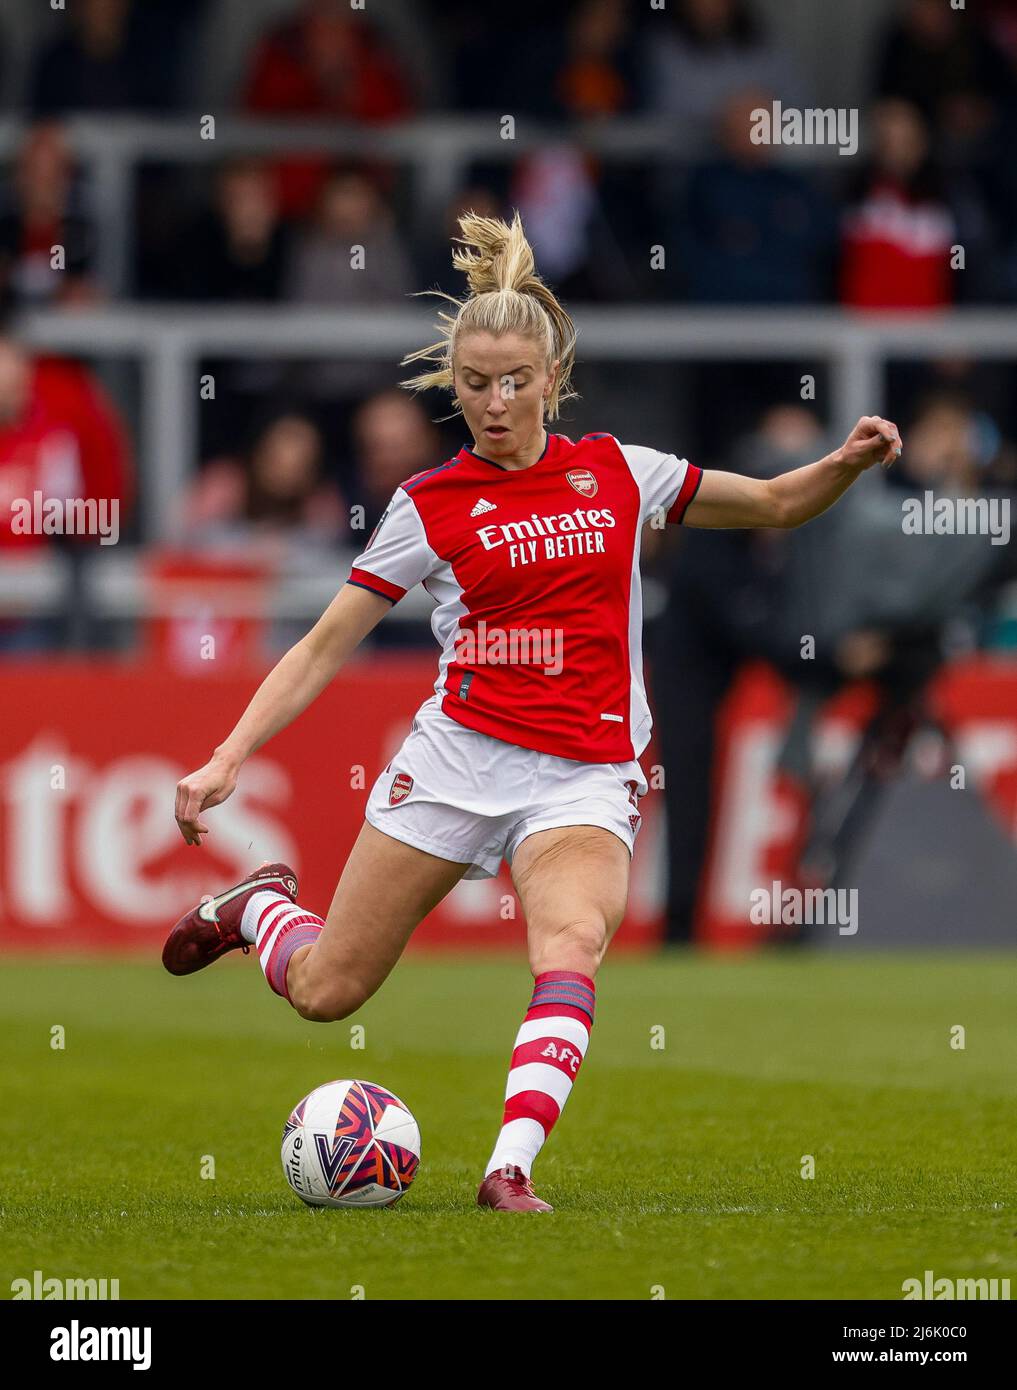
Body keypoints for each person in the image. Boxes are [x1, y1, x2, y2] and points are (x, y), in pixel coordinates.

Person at [161, 210, 903, 1212]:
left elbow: (771, 503)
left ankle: (509, 1166)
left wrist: (844, 466)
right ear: (452, 384)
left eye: (516, 381)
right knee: (327, 991)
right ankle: (258, 906)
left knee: (569, 946)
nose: (496, 402)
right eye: (474, 384)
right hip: (459, 764)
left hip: (584, 777)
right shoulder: (428, 504)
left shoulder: (619, 471)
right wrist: (228, 752)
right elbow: (322, 643)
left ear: (554, 376)